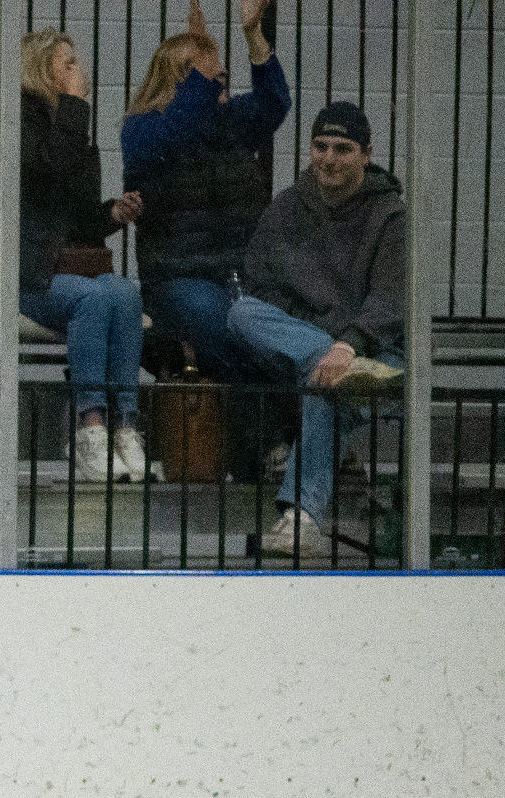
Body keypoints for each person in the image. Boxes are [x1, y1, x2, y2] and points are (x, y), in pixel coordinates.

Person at [0, 29, 149, 482]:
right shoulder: (0, 122)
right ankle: (90, 426)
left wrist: (111, 213)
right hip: (12, 271)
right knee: (91, 299)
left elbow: (76, 218)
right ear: (42, 69)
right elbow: (43, 171)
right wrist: (75, 106)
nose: (80, 71)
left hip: (53, 266)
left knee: (123, 293)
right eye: (68, 63)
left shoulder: (70, 130)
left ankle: (125, 424)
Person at [227, 102, 406, 554]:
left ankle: (300, 518)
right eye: (319, 146)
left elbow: (392, 301)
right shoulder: (286, 207)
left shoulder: (391, 217)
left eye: (342, 149)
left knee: (325, 383)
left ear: (366, 153)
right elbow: (260, 286)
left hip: (377, 352)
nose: (328, 158)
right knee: (241, 313)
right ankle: (336, 366)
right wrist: (329, 345)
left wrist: (350, 344)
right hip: (317, 347)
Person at [122, 0, 290, 389]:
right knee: (223, 329)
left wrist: (253, 36)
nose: (221, 72)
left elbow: (274, 104)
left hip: (240, 272)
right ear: (177, 77)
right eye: (205, 67)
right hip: (178, 278)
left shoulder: (230, 120)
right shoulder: (142, 129)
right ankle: (276, 431)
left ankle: (279, 434)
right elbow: (179, 132)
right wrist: (202, 65)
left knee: (282, 327)